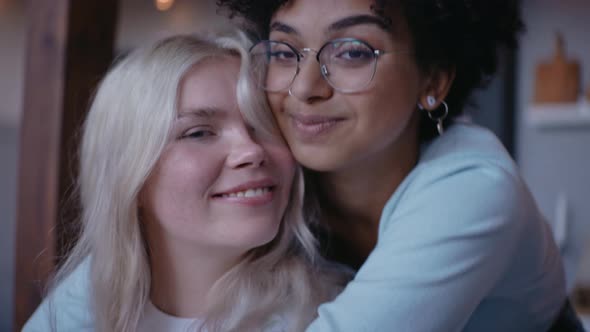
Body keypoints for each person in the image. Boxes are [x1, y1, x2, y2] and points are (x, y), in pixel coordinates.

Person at [215, 0, 575, 331]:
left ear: (433, 80)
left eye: (352, 53)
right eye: (283, 52)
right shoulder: (271, 178)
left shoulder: (474, 187)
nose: (305, 86)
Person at [23, 32, 349, 332]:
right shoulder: (84, 300)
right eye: (199, 133)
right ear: (130, 176)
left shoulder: (336, 314)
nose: (251, 150)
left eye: (263, 125)